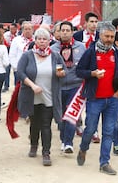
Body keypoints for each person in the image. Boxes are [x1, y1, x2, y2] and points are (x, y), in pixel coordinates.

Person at [76, 23, 118, 175]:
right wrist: (92, 74)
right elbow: (79, 71)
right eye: (107, 36)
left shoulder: (116, 53)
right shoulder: (90, 52)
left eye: (112, 36)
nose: (110, 39)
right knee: (90, 130)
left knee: (109, 132)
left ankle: (104, 162)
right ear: (100, 35)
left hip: (112, 100)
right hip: (95, 99)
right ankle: (83, 148)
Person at [17, 28, 65, 166]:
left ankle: (46, 153)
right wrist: (32, 85)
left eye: (45, 39)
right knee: (34, 123)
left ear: (49, 41)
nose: (42, 41)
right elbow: (20, 73)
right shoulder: (27, 55)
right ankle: (33, 145)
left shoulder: (55, 56)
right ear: (35, 40)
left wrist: (61, 73)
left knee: (46, 124)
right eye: (39, 39)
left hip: (49, 96)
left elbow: (62, 70)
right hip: (32, 96)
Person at [50, 21, 86, 154]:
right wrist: (56, 71)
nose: (64, 32)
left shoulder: (81, 47)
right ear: (58, 32)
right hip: (58, 86)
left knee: (71, 114)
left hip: (75, 85)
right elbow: (49, 65)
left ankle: (68, 142)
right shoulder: (53, 48)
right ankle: (63, 139)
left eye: (67, 30)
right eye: (62, 30)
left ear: (72, 32)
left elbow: (85, 65)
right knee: (60, 116)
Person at [73, 12, 101, 143]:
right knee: (77, 100)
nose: (94, 24)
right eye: (91, 22)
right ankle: (77, 124)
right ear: (85, 23)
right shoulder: (77, 36)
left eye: (96, 22)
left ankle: (92, 130)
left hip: (94, 75)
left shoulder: (101, 37)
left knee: (92, 104)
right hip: (79, 73)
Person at [3, 23, 18, 92]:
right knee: (7, 70)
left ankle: (16, 86)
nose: (12, 30)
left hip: (16, 54)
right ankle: (6, 86)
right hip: (7, 52)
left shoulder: (19, 35)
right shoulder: (6, 35)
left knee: (16, 70)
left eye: (13, 29)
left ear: (16, 28)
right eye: (10, 29)